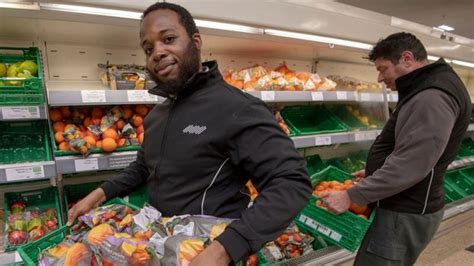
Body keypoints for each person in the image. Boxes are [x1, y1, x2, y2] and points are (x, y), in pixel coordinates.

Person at [67, 2, 312, 265]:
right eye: (148, 49)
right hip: (160, 244)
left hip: (207, 251)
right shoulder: (158, 115)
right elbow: (143, 166)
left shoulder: (238, 108)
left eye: (169, 39)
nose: (157, 53)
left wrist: (224, 250)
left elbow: (291, 183)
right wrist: (99, 194)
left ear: (196, 41)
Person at [321, 32, 471, 265]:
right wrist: (377, 170)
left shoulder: (431, 96)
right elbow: (414, 149)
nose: (380, 78)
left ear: (407, 59)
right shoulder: (428, 87)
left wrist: (352, 195)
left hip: (403, 213)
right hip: (402, 205)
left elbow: (412, 163)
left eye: (383, 69)